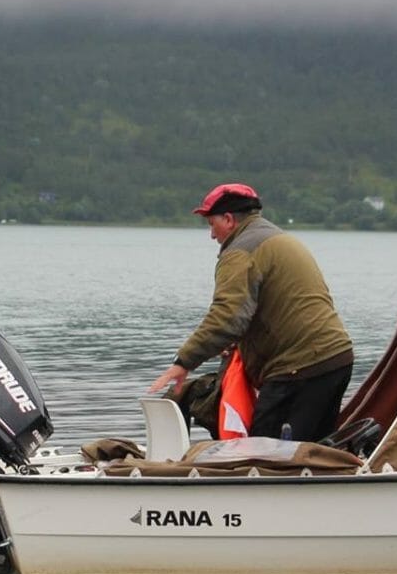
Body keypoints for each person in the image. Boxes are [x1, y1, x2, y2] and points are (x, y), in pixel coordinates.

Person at [148, 182, 354, 441]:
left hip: (298, 369)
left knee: (265, 452)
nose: (212, 235)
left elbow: (227, 317)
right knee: (310, 451)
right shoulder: (276, 238)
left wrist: (183, 362)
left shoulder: (240, 252)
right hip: (336, 359)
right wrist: (239, 344)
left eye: (212, 224)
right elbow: (272, 308)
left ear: (228, 219)